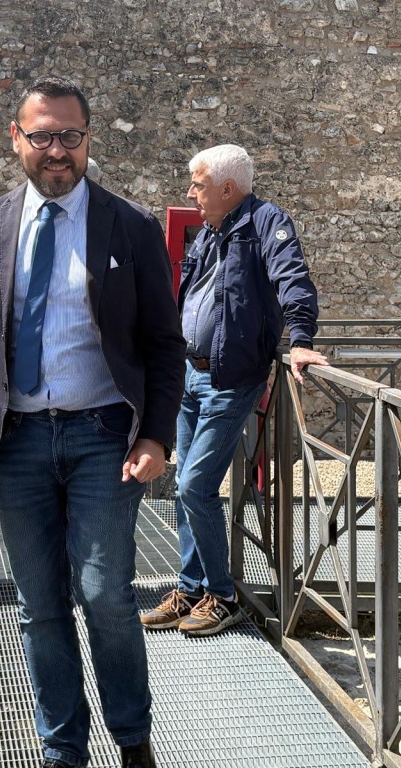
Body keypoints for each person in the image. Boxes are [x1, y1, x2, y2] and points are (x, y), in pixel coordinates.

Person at [0, 77, 183, 768]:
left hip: (105, 438)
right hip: (19, 443)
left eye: (70, 135)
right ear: (17, 139)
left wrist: (158, 434)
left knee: (104, 596)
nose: (57, 150)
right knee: (39, 606)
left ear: (89, 138)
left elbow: (164, 342)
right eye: (42, 136)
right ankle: (62, 748)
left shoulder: (129, 225)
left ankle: (132, 741)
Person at [141, 143, 329, 637]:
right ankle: (191, 587)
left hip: (229, 378)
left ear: (228, 188)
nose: (191, 194)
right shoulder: (211, 231)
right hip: (189, 375)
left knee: (193, 485)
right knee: (186, 488)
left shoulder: (267, 223)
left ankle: (222, 596)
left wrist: (301, 341)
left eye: (198, 185)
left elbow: (293, 279)